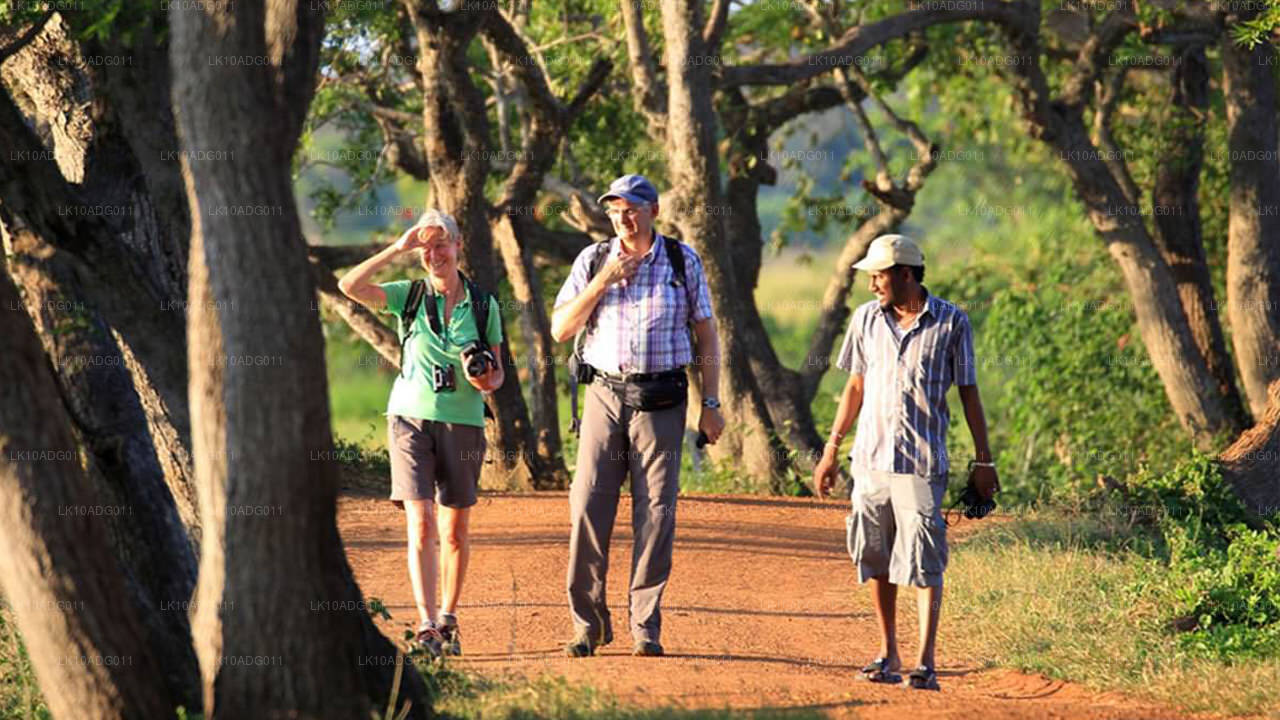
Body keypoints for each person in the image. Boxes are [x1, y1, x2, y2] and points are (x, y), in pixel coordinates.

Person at [812, 234, 998, 691]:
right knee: (875, 555)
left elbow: (969, 393)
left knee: (924, 560)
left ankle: (925, 662)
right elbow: (855, 387)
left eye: (880, 275)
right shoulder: (865, 319)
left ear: (906, 274)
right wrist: (831, 449)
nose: (873, 284)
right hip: (870, 459)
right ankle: (888, 652)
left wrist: (984, 461)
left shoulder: (952, 322)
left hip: (921, 462)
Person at [549, 174, 725, 658]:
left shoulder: (682, 260)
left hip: (663, 399)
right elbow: (561, 329)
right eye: (614, 210)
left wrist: (710, 404)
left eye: (631, 209)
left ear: (653, 211)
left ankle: (645, 626)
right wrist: (603, 282)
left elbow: (706, 334)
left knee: (656, 513)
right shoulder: (593, 259)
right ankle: (588, 625)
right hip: (604, 394)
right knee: (588, 505)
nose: (622, 218)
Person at [338, 209, 504, 658]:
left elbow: (497, 375)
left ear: (458, 245)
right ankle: (427, 623)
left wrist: (484, 379)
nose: (434, 255)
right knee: (421, 520)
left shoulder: (484, 304)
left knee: (454, 529)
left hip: (463, 420)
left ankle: (448, 617)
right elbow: (349, 286)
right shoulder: (408, 295)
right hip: (409, 417)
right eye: (426, 248)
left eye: (441, 244)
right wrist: (397, 248)